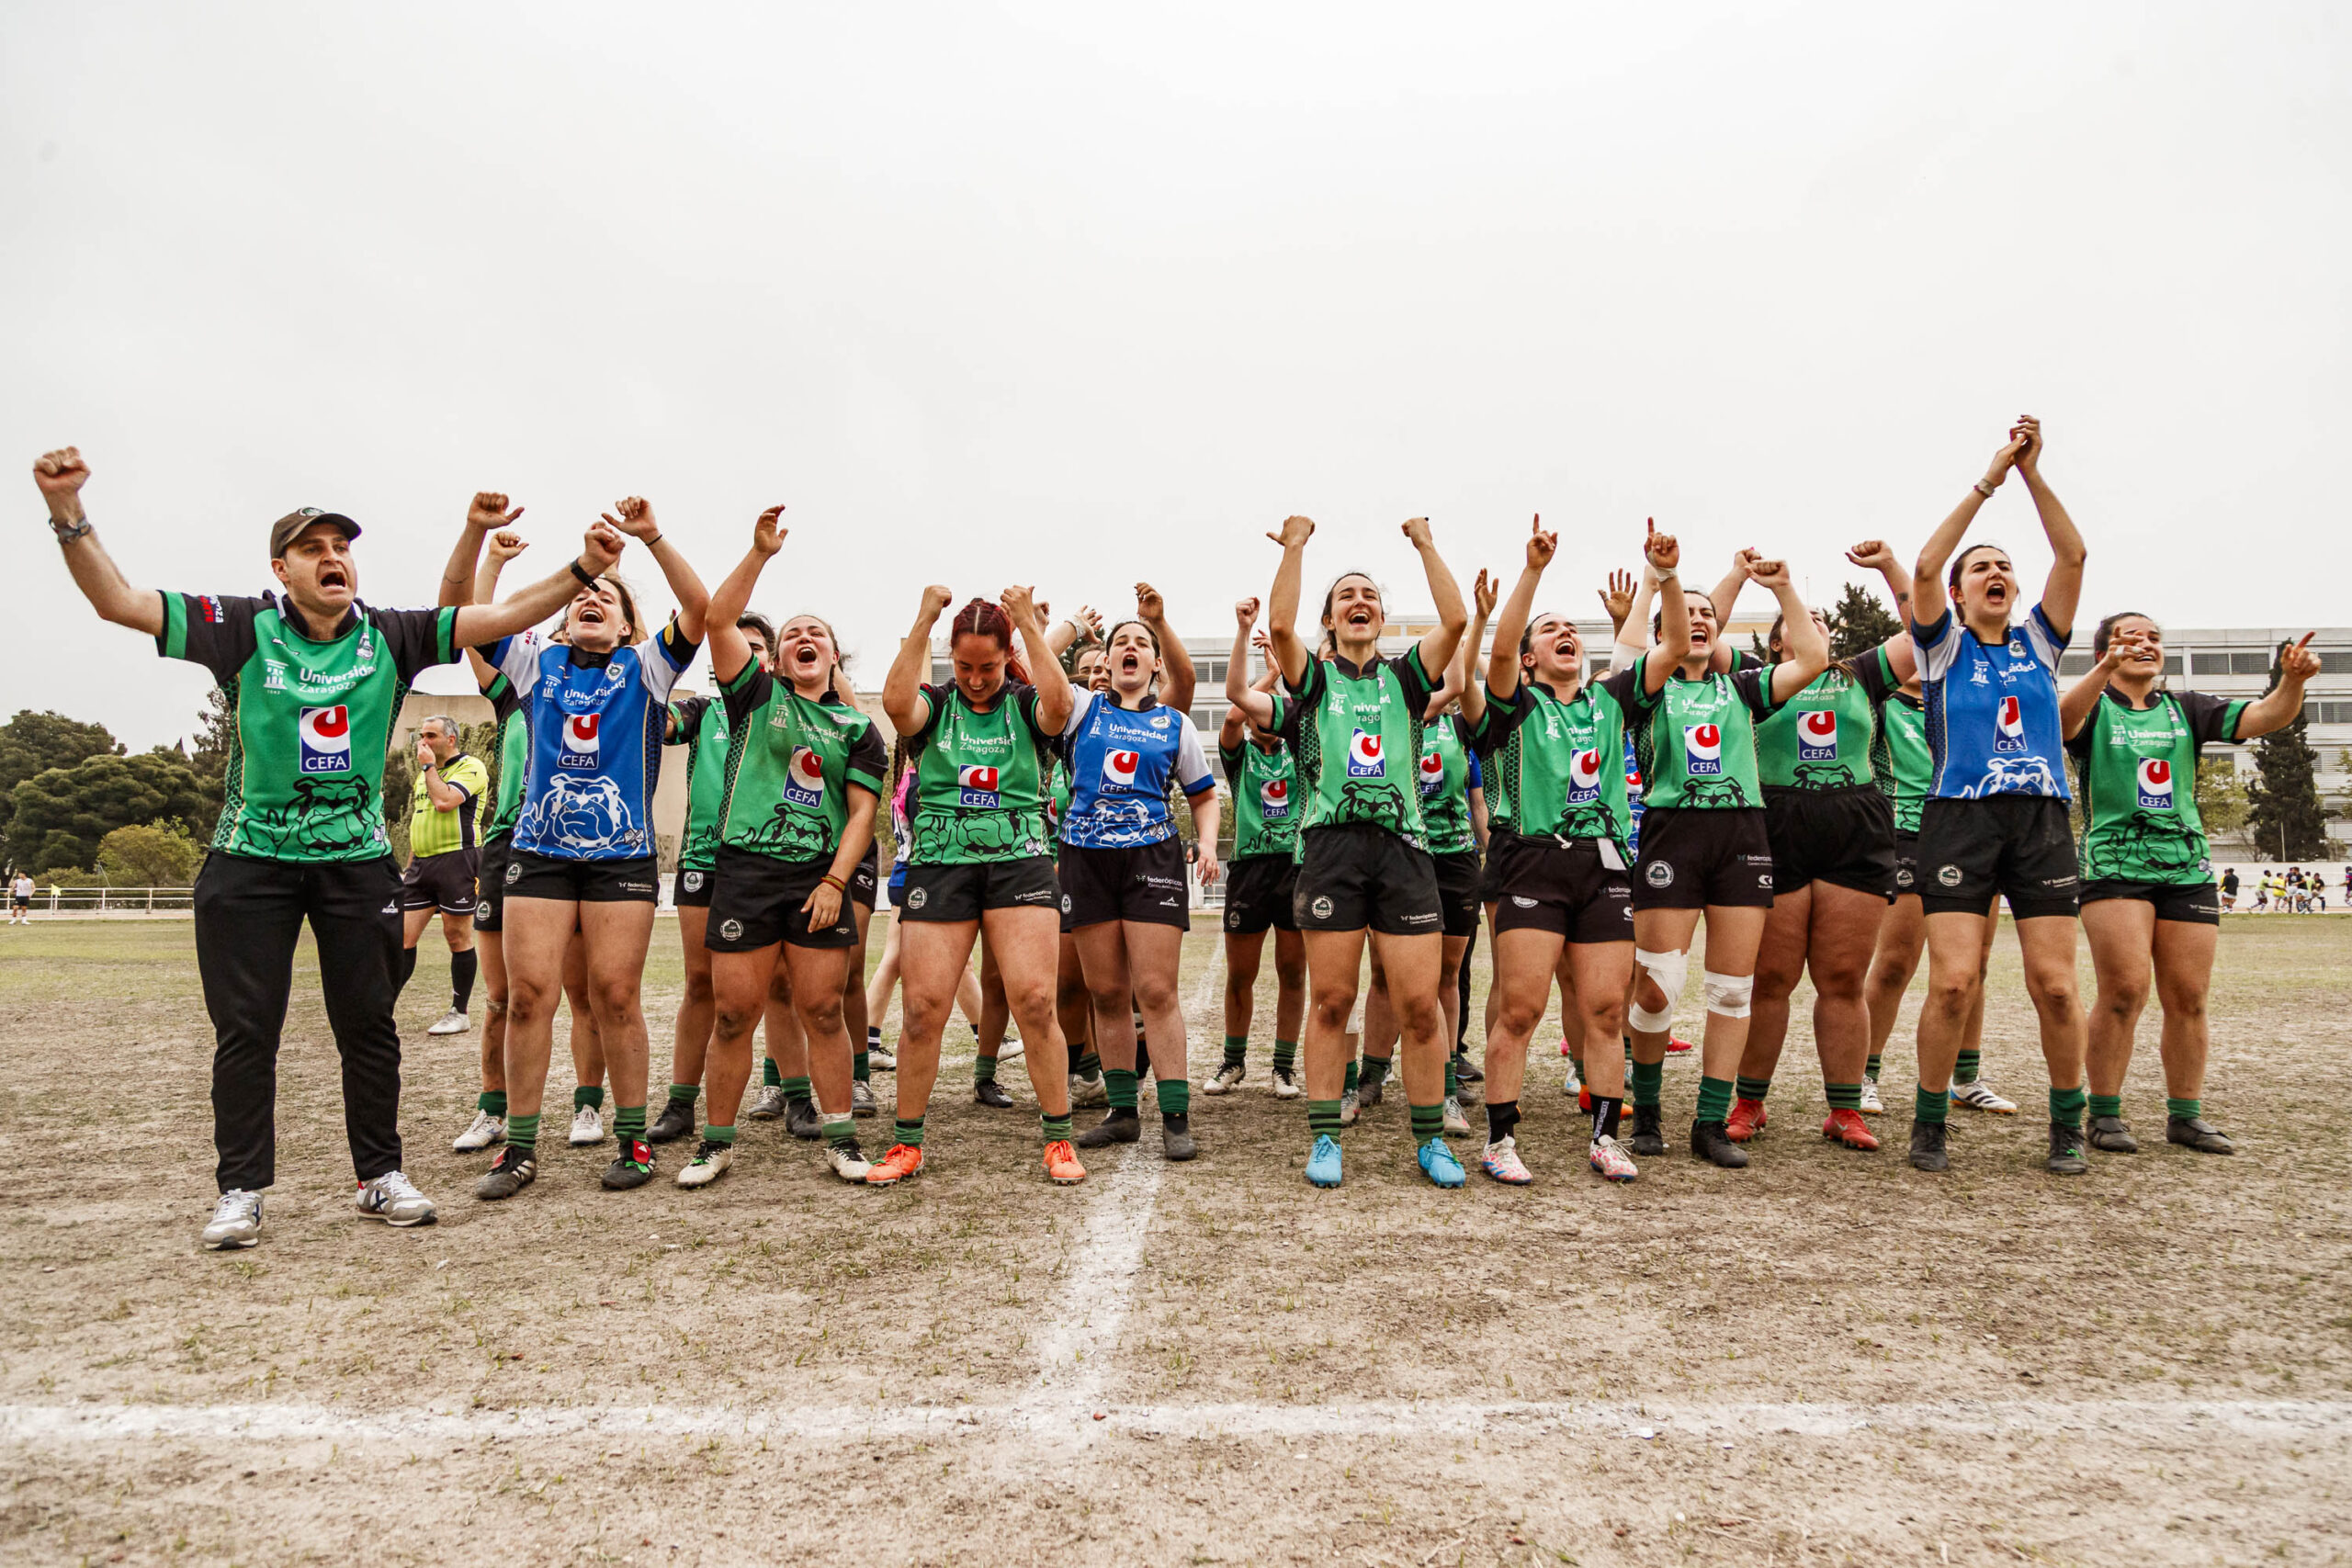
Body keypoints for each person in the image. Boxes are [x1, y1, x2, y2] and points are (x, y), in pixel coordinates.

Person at [34, 446, 605, 1248]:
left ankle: (380, 1175)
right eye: (313, 548)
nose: (333, 557)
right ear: (282, 569)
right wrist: (67, 510)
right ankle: (240, 1189)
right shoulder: (242, 627)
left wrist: (583, 568)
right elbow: (118, 602)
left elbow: (494, 619)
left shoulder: (391, 635)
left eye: (342, 546)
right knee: (247, 1031)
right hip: (250, 859)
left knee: (368, 1025)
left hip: (354, 862)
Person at [470, 495, 708, 1201]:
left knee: (614, 995)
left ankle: (634, 1140)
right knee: (526, 997)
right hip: (539, 854)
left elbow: (700, 608)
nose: (592, 597)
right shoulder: (534, 664)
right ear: (562, 611)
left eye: (608, 594)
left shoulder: (647, 669)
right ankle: (518, 1148)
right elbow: (471, 621)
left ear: (630, 625)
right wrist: (493, 559)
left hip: (621, 858)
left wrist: (653, 537)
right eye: (582, 592)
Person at [1230, 513, 1468, 1190]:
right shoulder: (1314, 683)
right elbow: (1280, 628)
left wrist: (1426, 543)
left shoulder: (1407, 679)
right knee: (1332, 1001)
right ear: (1331, 621)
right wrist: (1296, 546)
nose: (1359, 602)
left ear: (1382, 619)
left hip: (1405, 850)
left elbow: (1454, 622)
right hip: (1330, 850)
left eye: (1369, 596)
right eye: (1345, 597)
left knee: (1419, 1004)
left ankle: (1430, 1140)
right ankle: (1325, 1137)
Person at [1601, 525, 1827, 1169]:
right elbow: (1659, 640)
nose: (1699, 621)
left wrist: (1782, 587)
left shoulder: (1742, 688)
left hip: (1741, 836)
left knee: (1731, 991)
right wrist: (1668, 578)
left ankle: (1709, 1122)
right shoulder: (1644, 691)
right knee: (1657, 988)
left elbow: (1812, 659)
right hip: (1671, 835)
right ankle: (1647, 1110)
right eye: (1688, 615)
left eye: (1710, 615)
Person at [1905, 415, 2091, 1176]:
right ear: (1959, 592)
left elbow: (2072, 555)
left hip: (2041, 819)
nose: (1996, 572)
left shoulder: (2040, 641)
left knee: (2056, 986)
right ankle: (1929, 1121)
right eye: (1981, 566)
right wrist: (1990, 478)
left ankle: (2068, 1124)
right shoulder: (1941, 645)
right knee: (1954, 981)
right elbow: (1925, 564)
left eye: (2005, 566)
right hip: (1959, 818)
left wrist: (2032, 474)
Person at [683, 508, 887, 1186]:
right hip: (745, 871)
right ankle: (715, 1143)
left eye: (816, 632)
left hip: (817, 878)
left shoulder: (857, 728)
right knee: (733, 1013)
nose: (804, 637)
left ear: (834, 657)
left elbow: (863, 815)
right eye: (793, 632)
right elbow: (717, 620)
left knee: (823, 1009)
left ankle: (842, 1138)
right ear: (774, 657)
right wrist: (759, 553)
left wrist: (834, 883)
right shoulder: (754, 696)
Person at [2063, 618, 2317, 1156]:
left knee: (2190, 997)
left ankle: (2185, 1116)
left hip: (2186, 870)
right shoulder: (2095, 706)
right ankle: (2103, 1113)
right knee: (2125, 990)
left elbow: (2267, 716)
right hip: (2115, 866)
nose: (2145, 644)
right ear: (2105, 649)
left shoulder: (2187, 709)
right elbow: (2062, 724)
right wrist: (2102, 670)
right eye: (2131, 636)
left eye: (2154, 637)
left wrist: (2292, 681)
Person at [878, 585, 1083, 1187]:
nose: (974, 679)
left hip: (1020, 861)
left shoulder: (1023, 704)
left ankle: (1059, 1137)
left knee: (1036, 1002)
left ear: (1004, 657)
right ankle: (906, 1143)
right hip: (940, 863)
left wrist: (1029, 626)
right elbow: (895, 704)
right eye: (964, 666)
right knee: (922, 1009)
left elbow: (1060, 706)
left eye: (987, 667)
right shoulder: (937, 704)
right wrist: (924, 617)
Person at [1724, 541, 1916, 1155]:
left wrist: (1889, 568)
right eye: (1801, 622)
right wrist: (1748, 579)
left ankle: (1845, 1108)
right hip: (1778, 825)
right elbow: (1690, 638)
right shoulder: (1754, 678)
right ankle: (1749, 1101)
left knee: (1842, 978)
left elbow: (1928, 631)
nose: (1815, 626)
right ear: (1778, 641)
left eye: (1821, 620)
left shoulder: (1862, 674)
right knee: (1772, 978)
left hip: (1854, 828)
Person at [1475, 516, 1642, 1183]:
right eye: (1549, 629)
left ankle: (1605, 1138)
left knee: (1605, 1010)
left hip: (1603, 865)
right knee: (1520, 1009)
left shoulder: (1609, 702)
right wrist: (1533, 572)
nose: (1564, 632)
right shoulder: (1515, 706)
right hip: (1532, 861)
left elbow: (1644, 653)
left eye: (1571, 627)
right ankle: (1499, 1140)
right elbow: (1498, 654)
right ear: (1531, 657)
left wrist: (1658, 578)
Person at [1060, 593, 1221, 1160]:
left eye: (1141, 644)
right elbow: (1033, 669)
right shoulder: (1081, 709)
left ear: (1155, 663)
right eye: (1120, 642)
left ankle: (1176, 1117)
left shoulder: (1174, 723)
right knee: (1106, 993)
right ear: (1106, 661)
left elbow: (1204, 796)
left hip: (1152, 859)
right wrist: (1068, 627)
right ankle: (1123, 1113)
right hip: (1085, 858)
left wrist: (1206, 843)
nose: (1131, 648)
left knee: (1155, 990)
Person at [646, 612, 774, 1146]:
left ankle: (791, 1093)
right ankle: (680, 1103)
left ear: (771, 659)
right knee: (700, 984)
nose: (743, 654)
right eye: (735, 645)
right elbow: (656, 722)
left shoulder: (789, 711)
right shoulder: (702, 710)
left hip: (770, 864)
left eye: (755, 647)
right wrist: (654, 659)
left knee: (780, 988)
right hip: (703, 861)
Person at [446, 526, 536, 1154]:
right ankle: (492, 1109)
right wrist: (494, 562)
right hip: (508, 846)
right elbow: (474, 633)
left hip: (583, 851)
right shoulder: (517, 692)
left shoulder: (620, 690)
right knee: (502, 997)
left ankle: (589, 1104)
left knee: (592, 996)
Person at [1211, 624, 1306, 1098]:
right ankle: (1233, 1062)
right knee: (1240, 975)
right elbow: (1232, 718)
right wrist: (1267, 676)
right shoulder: (1239, 755)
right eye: (1256, 710)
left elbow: (1303, 707)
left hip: (1295, 868)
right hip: (1249, 871)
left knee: (1292, 972)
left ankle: (1283, 1068)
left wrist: (1279, 673)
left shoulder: (1301, 749)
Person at [395, 715, 489, 1037]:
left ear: (451, 739)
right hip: (421, 865)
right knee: (402, 937)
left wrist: (428, 767)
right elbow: (419, 821)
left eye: (431, 735)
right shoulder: (427, 773)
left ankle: (459, 1012)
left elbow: (445, 802)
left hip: (458, 860)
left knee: (457, 936)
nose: (423, 741)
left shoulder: (471, 766)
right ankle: (382, 1007)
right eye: (421, 735)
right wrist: (410, 867)